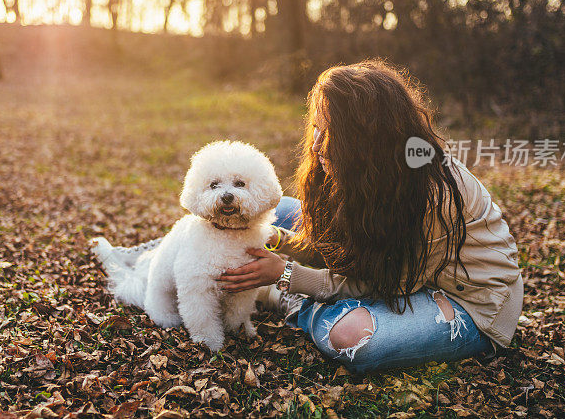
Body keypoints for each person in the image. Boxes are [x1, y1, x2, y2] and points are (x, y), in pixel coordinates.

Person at [218, 61, 523, 374]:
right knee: (277, 209)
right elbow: (337, 243)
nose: (316, 144)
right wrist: (283, 240)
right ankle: (183, 252)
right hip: (403, 275)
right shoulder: (367, 171)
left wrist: (286, 276)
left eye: (331, 133)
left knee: (351, 337)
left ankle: (287, 299)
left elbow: (382, 283)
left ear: (367, 141)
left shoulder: (431, 193)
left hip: (470, 304)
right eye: (316, 128)